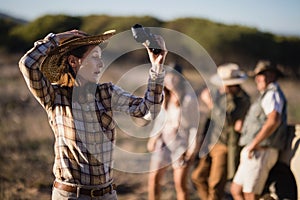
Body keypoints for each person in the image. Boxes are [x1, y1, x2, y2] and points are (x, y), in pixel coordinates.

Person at [18, 29, 167, 199]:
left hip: (107, 194)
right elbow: (27, 64)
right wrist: (57, 39)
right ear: (73, 61)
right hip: (70, 195)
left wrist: (157, 67)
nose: (101, 64)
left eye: (100, 58)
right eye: (94, 57)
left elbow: (148, 111)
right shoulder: (56, 97)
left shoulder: (107, 93)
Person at [191, 63, 250, 200]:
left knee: (216, 183)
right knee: (197, 177)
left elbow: (228, 119)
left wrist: (211, 104)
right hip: (210, 142)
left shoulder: (242, 100)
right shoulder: (221, 93)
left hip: (224, 145)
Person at [230, 60, 287, 200]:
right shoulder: (267, 94)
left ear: (272, 75)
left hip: (261, 150)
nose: (257, 78)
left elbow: (274, 119)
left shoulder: (272, 94)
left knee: (250, 195)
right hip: (255, 150)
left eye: (262, 75)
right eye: (257, 75)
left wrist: (255, 143)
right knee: (236, 189)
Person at [147, 64, 199, 200]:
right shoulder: (165, 95)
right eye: (168, 76)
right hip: (164, 141)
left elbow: (194, 126)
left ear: (180, 78)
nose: (170, 80)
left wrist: (191, 149)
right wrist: (153, 137)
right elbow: (160, 120)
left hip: (181, 143)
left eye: (173, 76)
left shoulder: (189, 100)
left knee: (180, 184)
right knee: (153, 179)